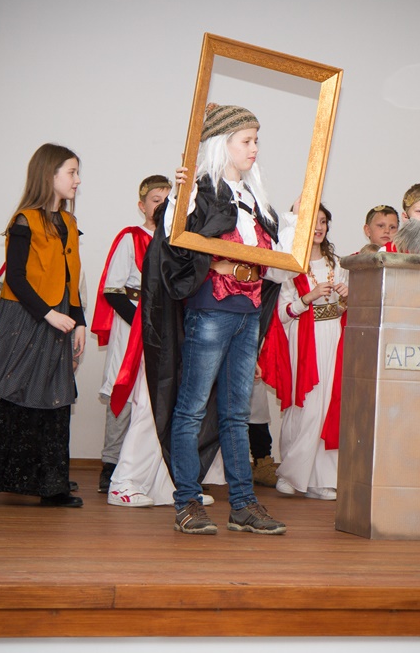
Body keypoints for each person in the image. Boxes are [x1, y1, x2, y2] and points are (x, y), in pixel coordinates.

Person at [144, 103, 297, 535]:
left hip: (248, 311)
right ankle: (187, 503)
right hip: (211, 308)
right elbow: (175, 242)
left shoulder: (253, 198)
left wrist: (296, 221)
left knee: (235, 413)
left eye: (256, 140)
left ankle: (243, 505)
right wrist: (182, 195)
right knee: (192, 409)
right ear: (221, 144)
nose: (254, 148)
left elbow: (277, 266)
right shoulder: (200, 191)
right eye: (246, 140)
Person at [0, 143, 85, 509]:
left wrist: (79, 322)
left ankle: (51, 487)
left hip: (58, 319)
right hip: (24, 319)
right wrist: (49, 314)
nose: (77, 180)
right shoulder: (25, 220)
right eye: (71, 172)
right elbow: (17, 279)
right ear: (49, 175)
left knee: (53, 400)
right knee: (1, 398)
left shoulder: (69, 223)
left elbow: (71, 277)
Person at [91, 174, 170, 495]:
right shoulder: (130, 237)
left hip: (164, 327)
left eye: (167, 201)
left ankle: (148, 466)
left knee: (155, 393)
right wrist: (142, 322)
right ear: (142, 205)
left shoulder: (177, 241)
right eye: (155, 200)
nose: (161, 206)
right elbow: (113, 290)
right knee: (122, 388)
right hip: (132, 324)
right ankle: (111, 464)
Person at [272, 204, 348, 500]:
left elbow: (343, 308)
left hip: (334, 336)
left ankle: (321, 479)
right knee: (306, 406)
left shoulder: (337, 263)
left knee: (329, 405)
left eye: (323, 221)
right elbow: (281, 314)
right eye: (313, 221)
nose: (318, 227)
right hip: (304, 340)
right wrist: (308, 298)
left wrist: (347, 299)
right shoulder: (289, 265)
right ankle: (290, 474)